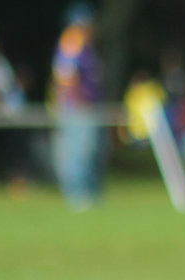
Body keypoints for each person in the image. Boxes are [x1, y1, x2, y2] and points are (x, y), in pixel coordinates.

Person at [51, 4, 104, 209]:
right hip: (77, 108)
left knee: (87, 150)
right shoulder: (73, 41)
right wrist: (77, 100)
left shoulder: (83, 43)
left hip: (83, 106)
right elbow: (66, 77)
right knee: (77, 151)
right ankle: (77, 195)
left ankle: (87, 193)